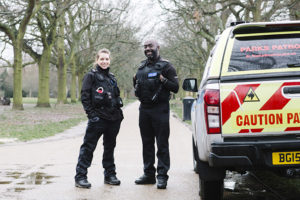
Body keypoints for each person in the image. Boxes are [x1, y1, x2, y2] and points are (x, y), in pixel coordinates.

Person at [133, 39, 179, 189]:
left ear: (157, 47)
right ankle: (148, 175)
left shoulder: (166, 66)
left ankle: (162, 176)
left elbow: (176, 87)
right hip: (144, 110)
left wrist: (163, 80)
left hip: (160, 109)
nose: (147, 49)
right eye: (145, 47)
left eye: (150, 46)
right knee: (147, 144)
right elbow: (137, 84)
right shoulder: (141, 66)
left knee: (162, 144)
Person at [75, 48, 124, 188]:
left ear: (110, 60)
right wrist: (92, 116)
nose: (104, 61)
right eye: (101, 59)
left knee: (110, 147)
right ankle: (80, 176)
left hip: (113, 119)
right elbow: (85, 97)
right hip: (98, 119)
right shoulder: (91, 76)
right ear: (97, 60)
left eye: (107, 59)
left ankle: (110, 174)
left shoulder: (112, 77)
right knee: (88, 147)